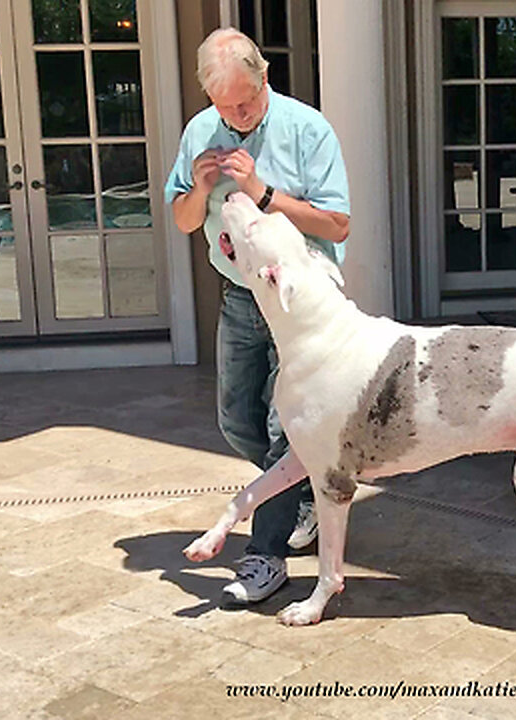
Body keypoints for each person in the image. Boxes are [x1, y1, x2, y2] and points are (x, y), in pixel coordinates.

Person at [165, 28, 351, 605]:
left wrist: (264, 193)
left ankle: (264, 556)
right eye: (224, 106)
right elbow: (184, 220)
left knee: (281, 429)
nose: (236, 115)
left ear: (264, 77)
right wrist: (198, 189)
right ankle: (302, 493)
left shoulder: (307, 128)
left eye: (244, 102)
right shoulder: (201, 130)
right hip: (242, 298)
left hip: (301, 302)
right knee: (236, 421)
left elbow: (337, 225)